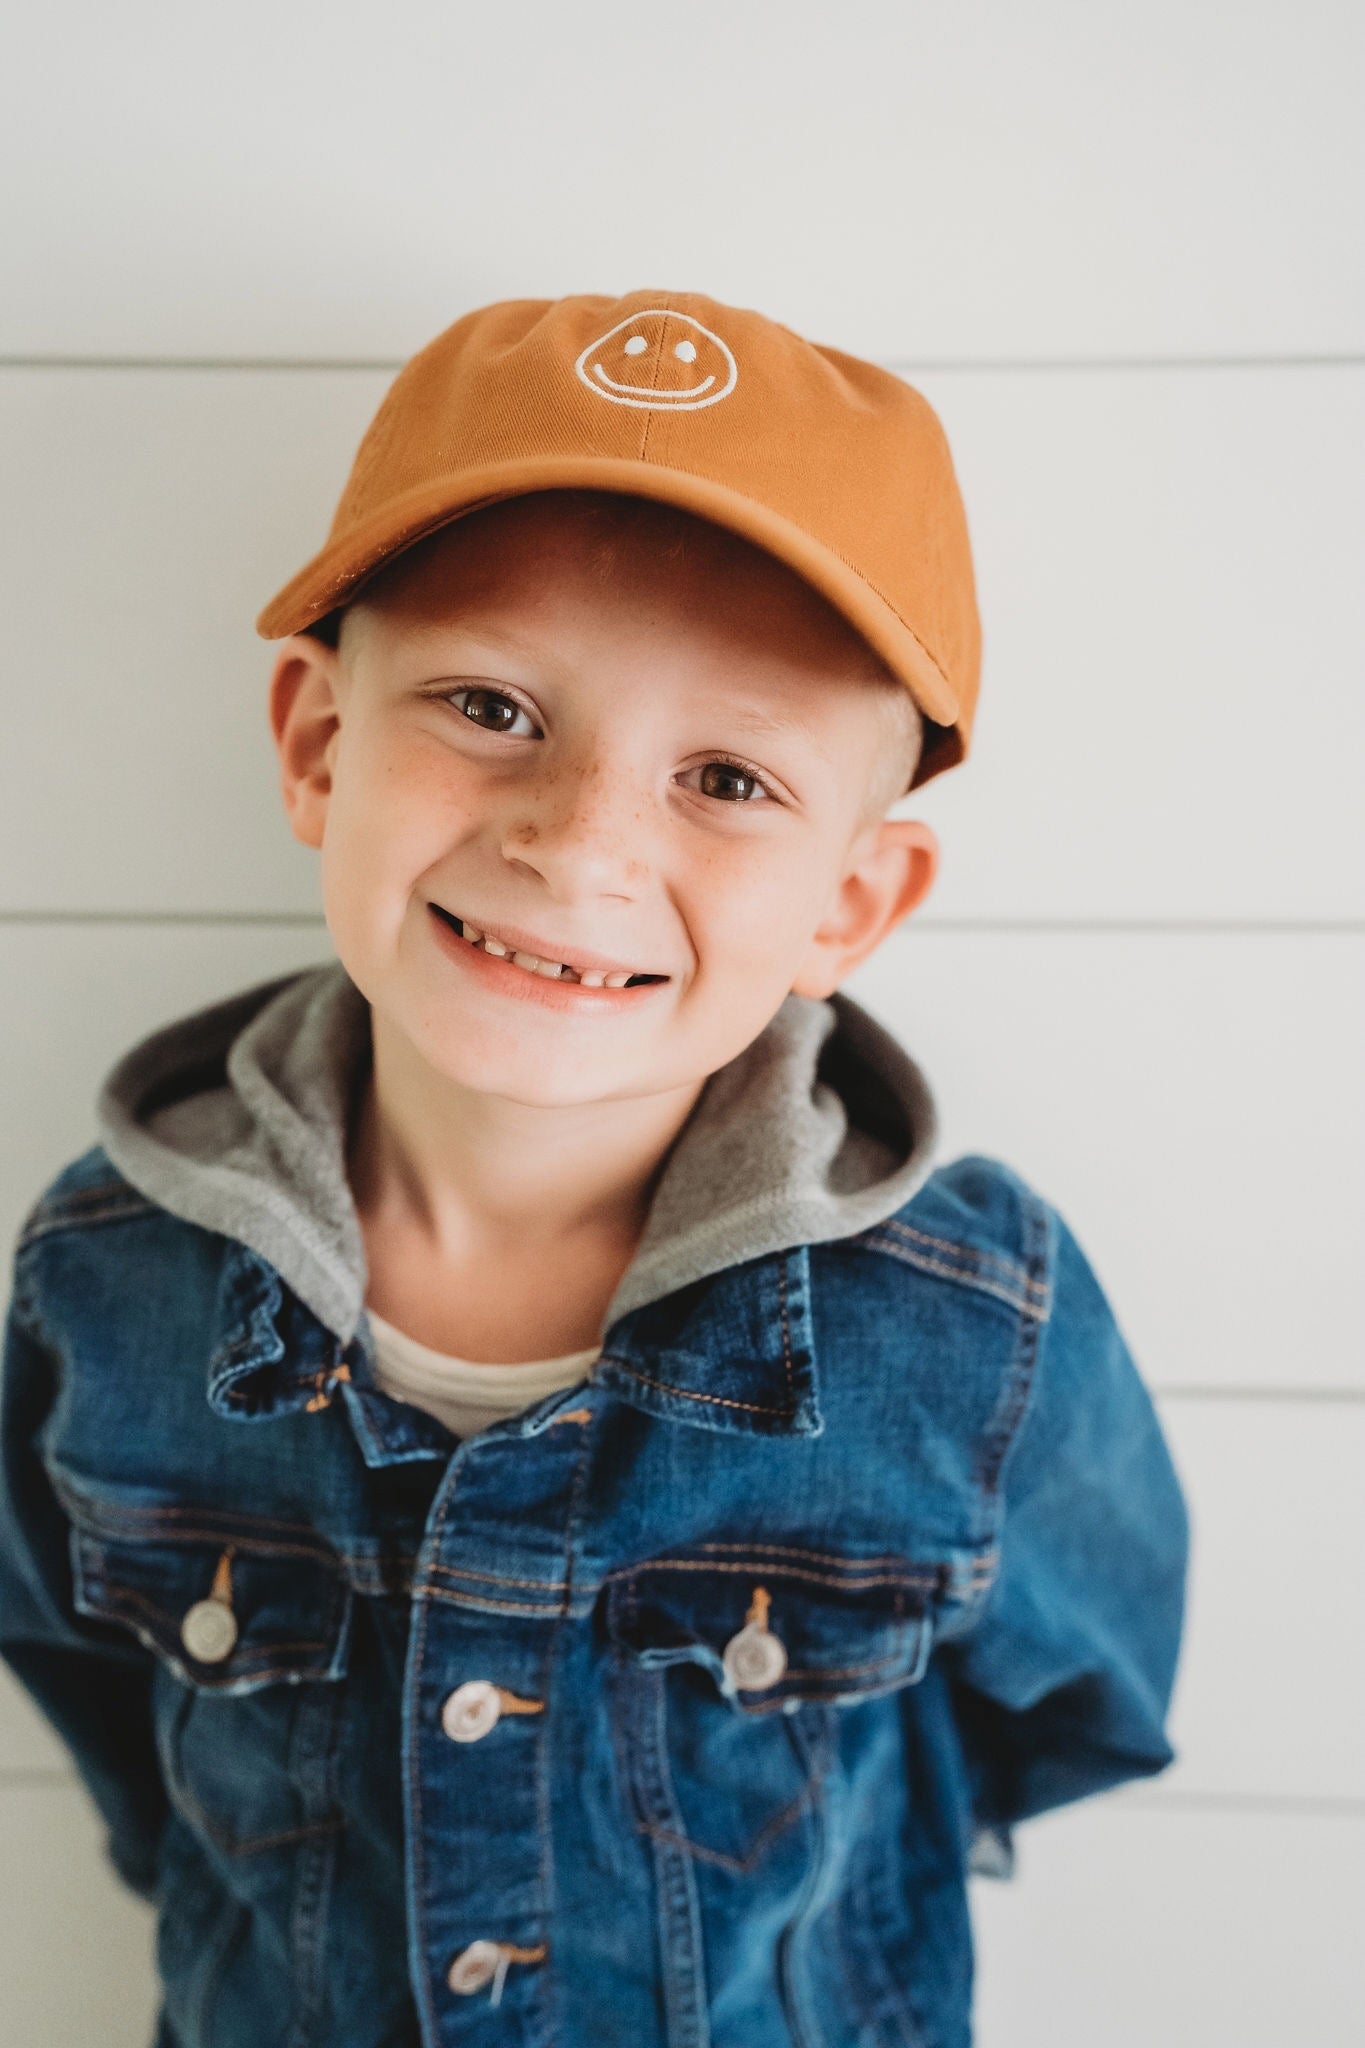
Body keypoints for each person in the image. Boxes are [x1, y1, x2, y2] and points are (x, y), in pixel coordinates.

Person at [0, 289, 1190, 2048]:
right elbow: (91, 1682)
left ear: (849, 905)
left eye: (724, 775)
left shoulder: (971, 1320)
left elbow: (1070, 1698)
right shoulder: (109, 1274)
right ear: (320, 745)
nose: (580, 842)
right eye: (490, 705)